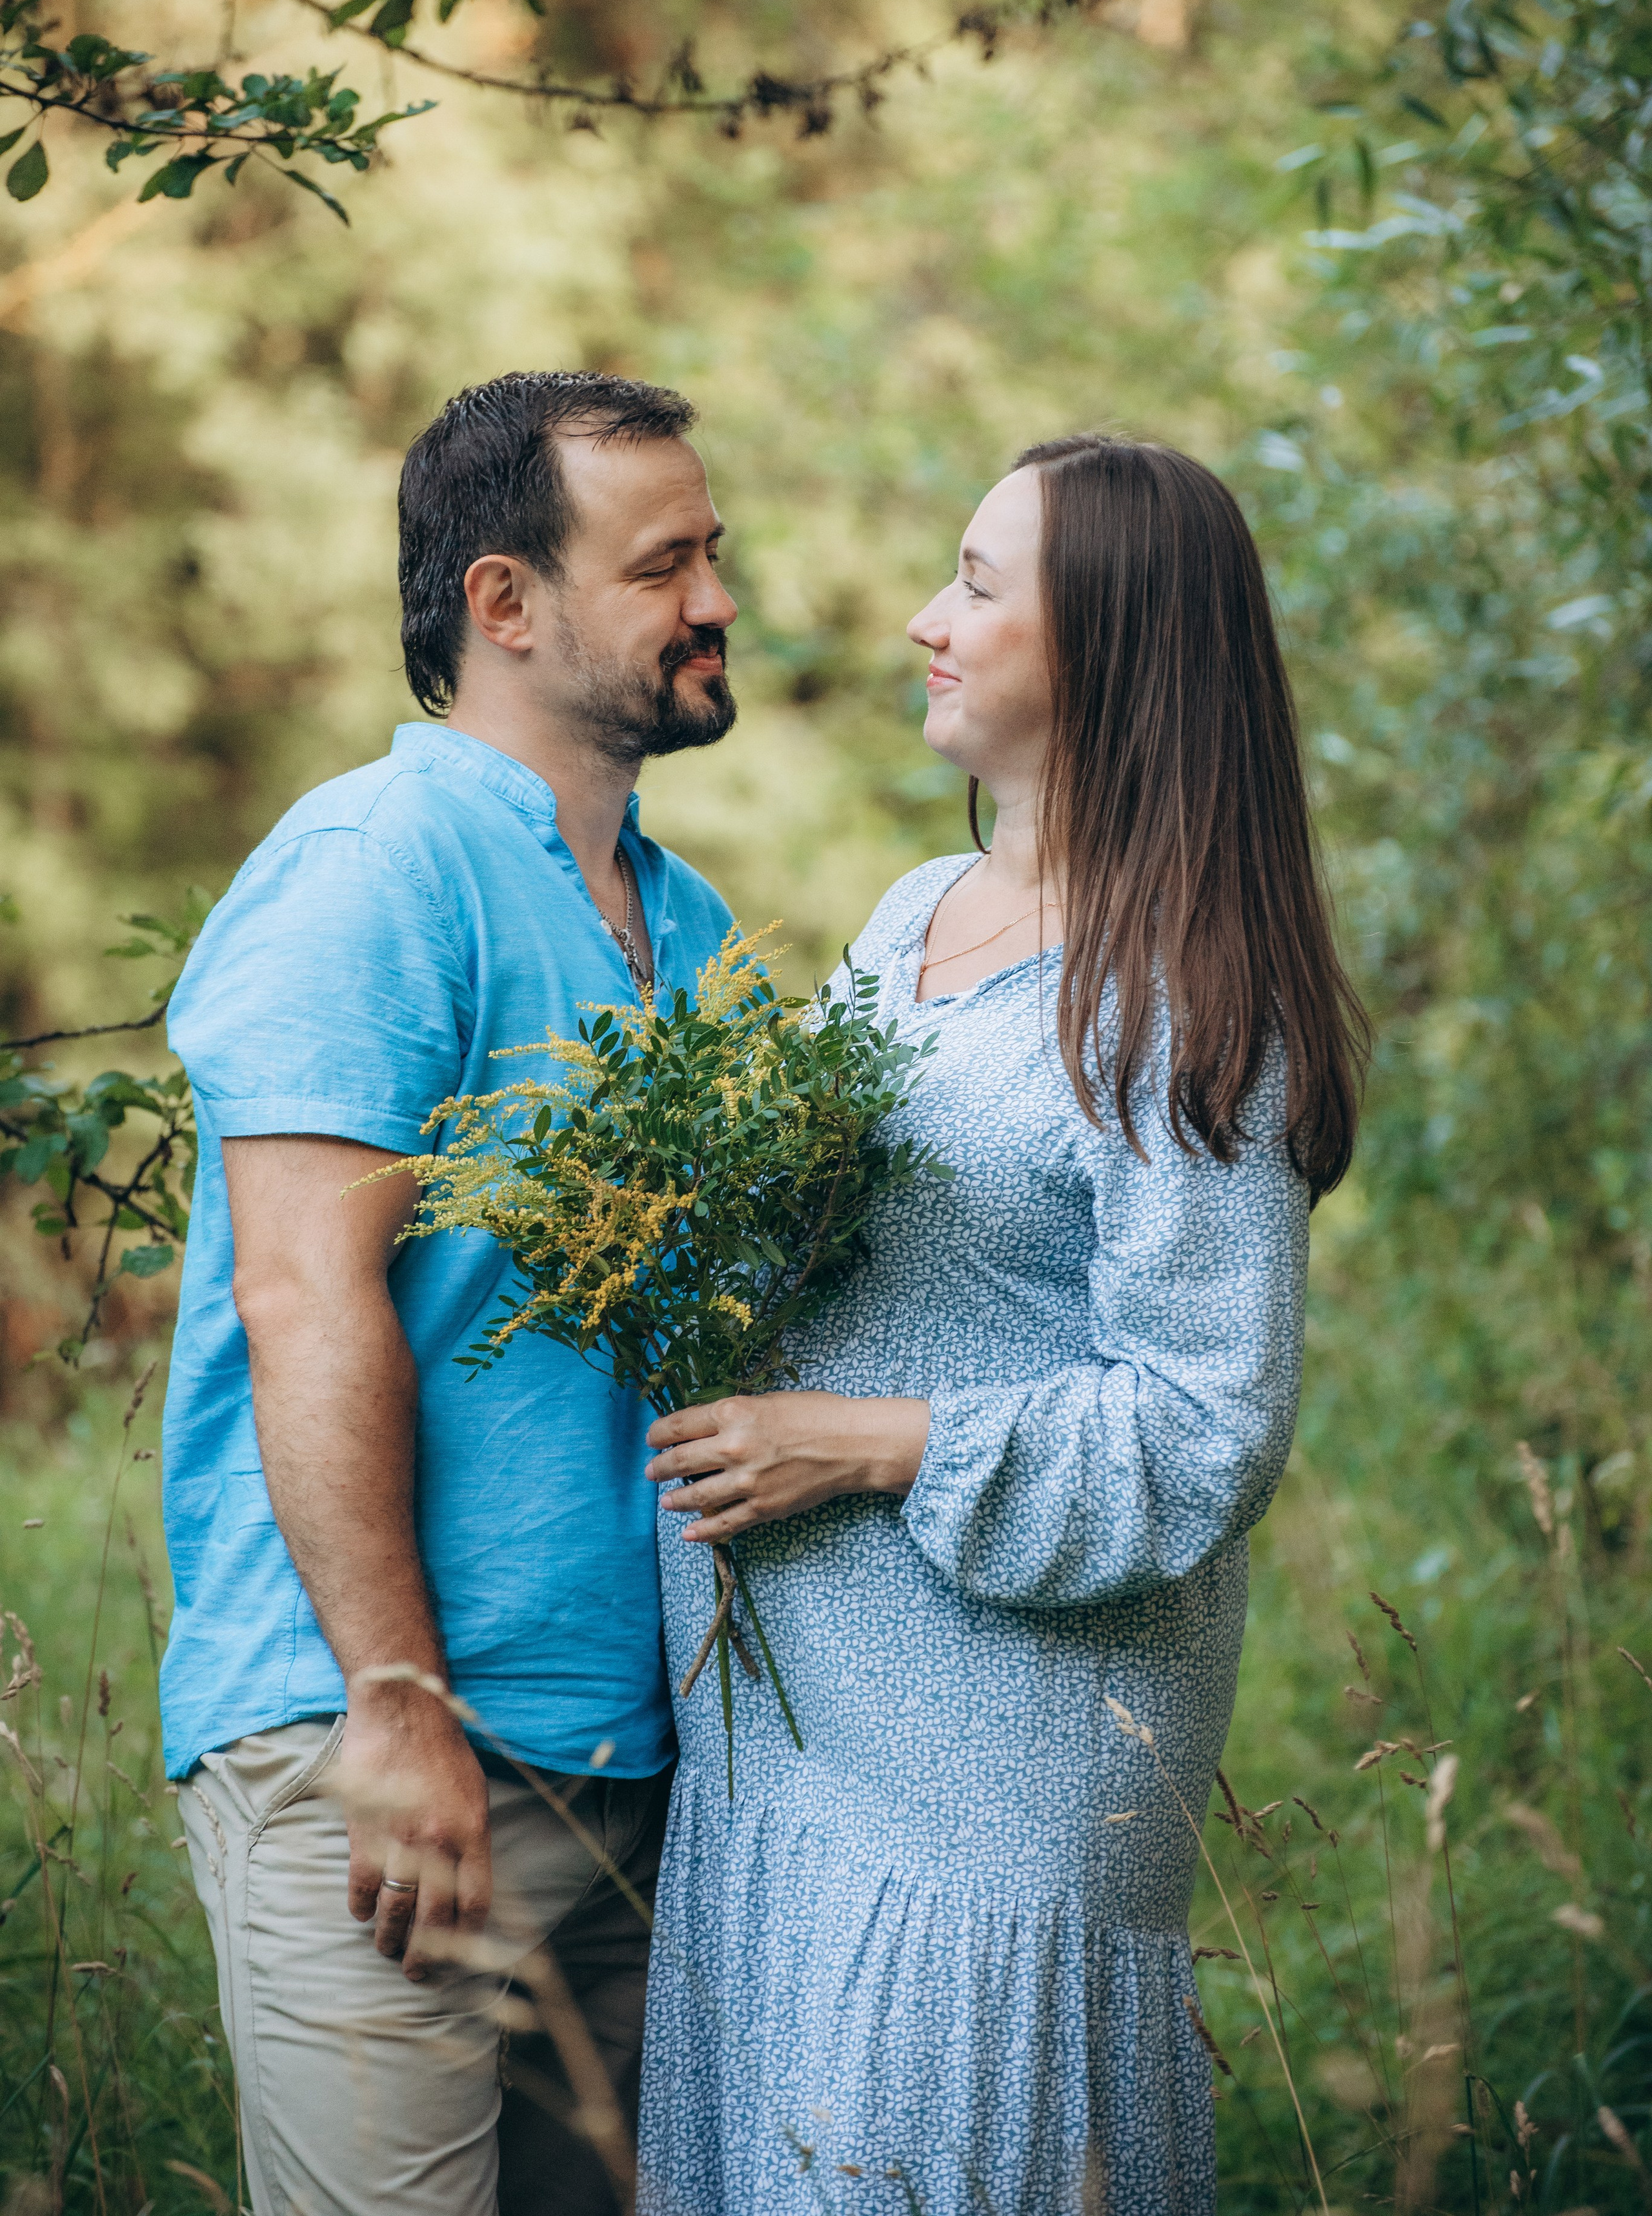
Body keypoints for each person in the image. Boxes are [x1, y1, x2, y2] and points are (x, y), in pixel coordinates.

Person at [636, 434, 1369, 2213]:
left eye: (976, 584)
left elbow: (1208, 1417)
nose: (921, 621)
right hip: (791, 1748)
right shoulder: (911, 919)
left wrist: (867, 1439)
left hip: (994, 1777)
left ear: (1114, 645)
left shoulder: (1187, 995)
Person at [161, 370, 740, 2216]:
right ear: (505, 602)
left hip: (628, 1769)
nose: (719, 599)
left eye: (714, 552)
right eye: (663, 566)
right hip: (388, 1763)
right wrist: (396, 1696)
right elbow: (304, 1292)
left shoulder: (696, 923)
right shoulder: (373, 869)